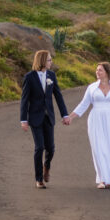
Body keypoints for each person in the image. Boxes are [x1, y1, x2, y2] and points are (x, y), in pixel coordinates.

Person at [68, 62, 110, 189]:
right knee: (99, 148)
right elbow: (83, 104)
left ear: (107, 73)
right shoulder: (92, 88)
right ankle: (103, 179)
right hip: (96, 119)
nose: (97, 72)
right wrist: (70, 117)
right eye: (96, 70)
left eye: (100, 70)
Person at [20, 50, 70, 189]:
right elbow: (24, 100)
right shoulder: (29, 77)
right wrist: (23, 119)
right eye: (49, 60)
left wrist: (65, 114)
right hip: (35, 118)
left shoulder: (51, 76)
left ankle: (46, 167)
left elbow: (58, 96)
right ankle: (39, 179)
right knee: (39, 147)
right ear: (42, 61)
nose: (51, 62)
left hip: (49, 117)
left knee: (51, 148)